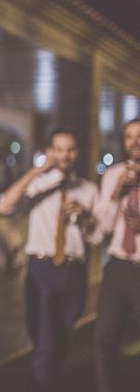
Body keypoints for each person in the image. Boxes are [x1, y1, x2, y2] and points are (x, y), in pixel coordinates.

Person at [0, 129, 98, 392]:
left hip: (75, 271)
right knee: (45, 341)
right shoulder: (37, 185)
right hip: (41, 270)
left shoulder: (88, 189)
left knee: (62, 338)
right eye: (59, 149)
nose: (65, 155)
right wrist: (39, 171)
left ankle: (46, 382)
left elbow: (96, 237)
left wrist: (85, 216)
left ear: (77, 153)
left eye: (71, 149)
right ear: (51, 152)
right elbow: (4, 205)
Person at [93, 117, 140, 392]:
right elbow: (103, 227)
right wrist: (116, 192)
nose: (135, 142)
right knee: (105, 338)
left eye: (139, 135)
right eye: (129, 136)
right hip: (118, 267)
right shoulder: (113, 175)